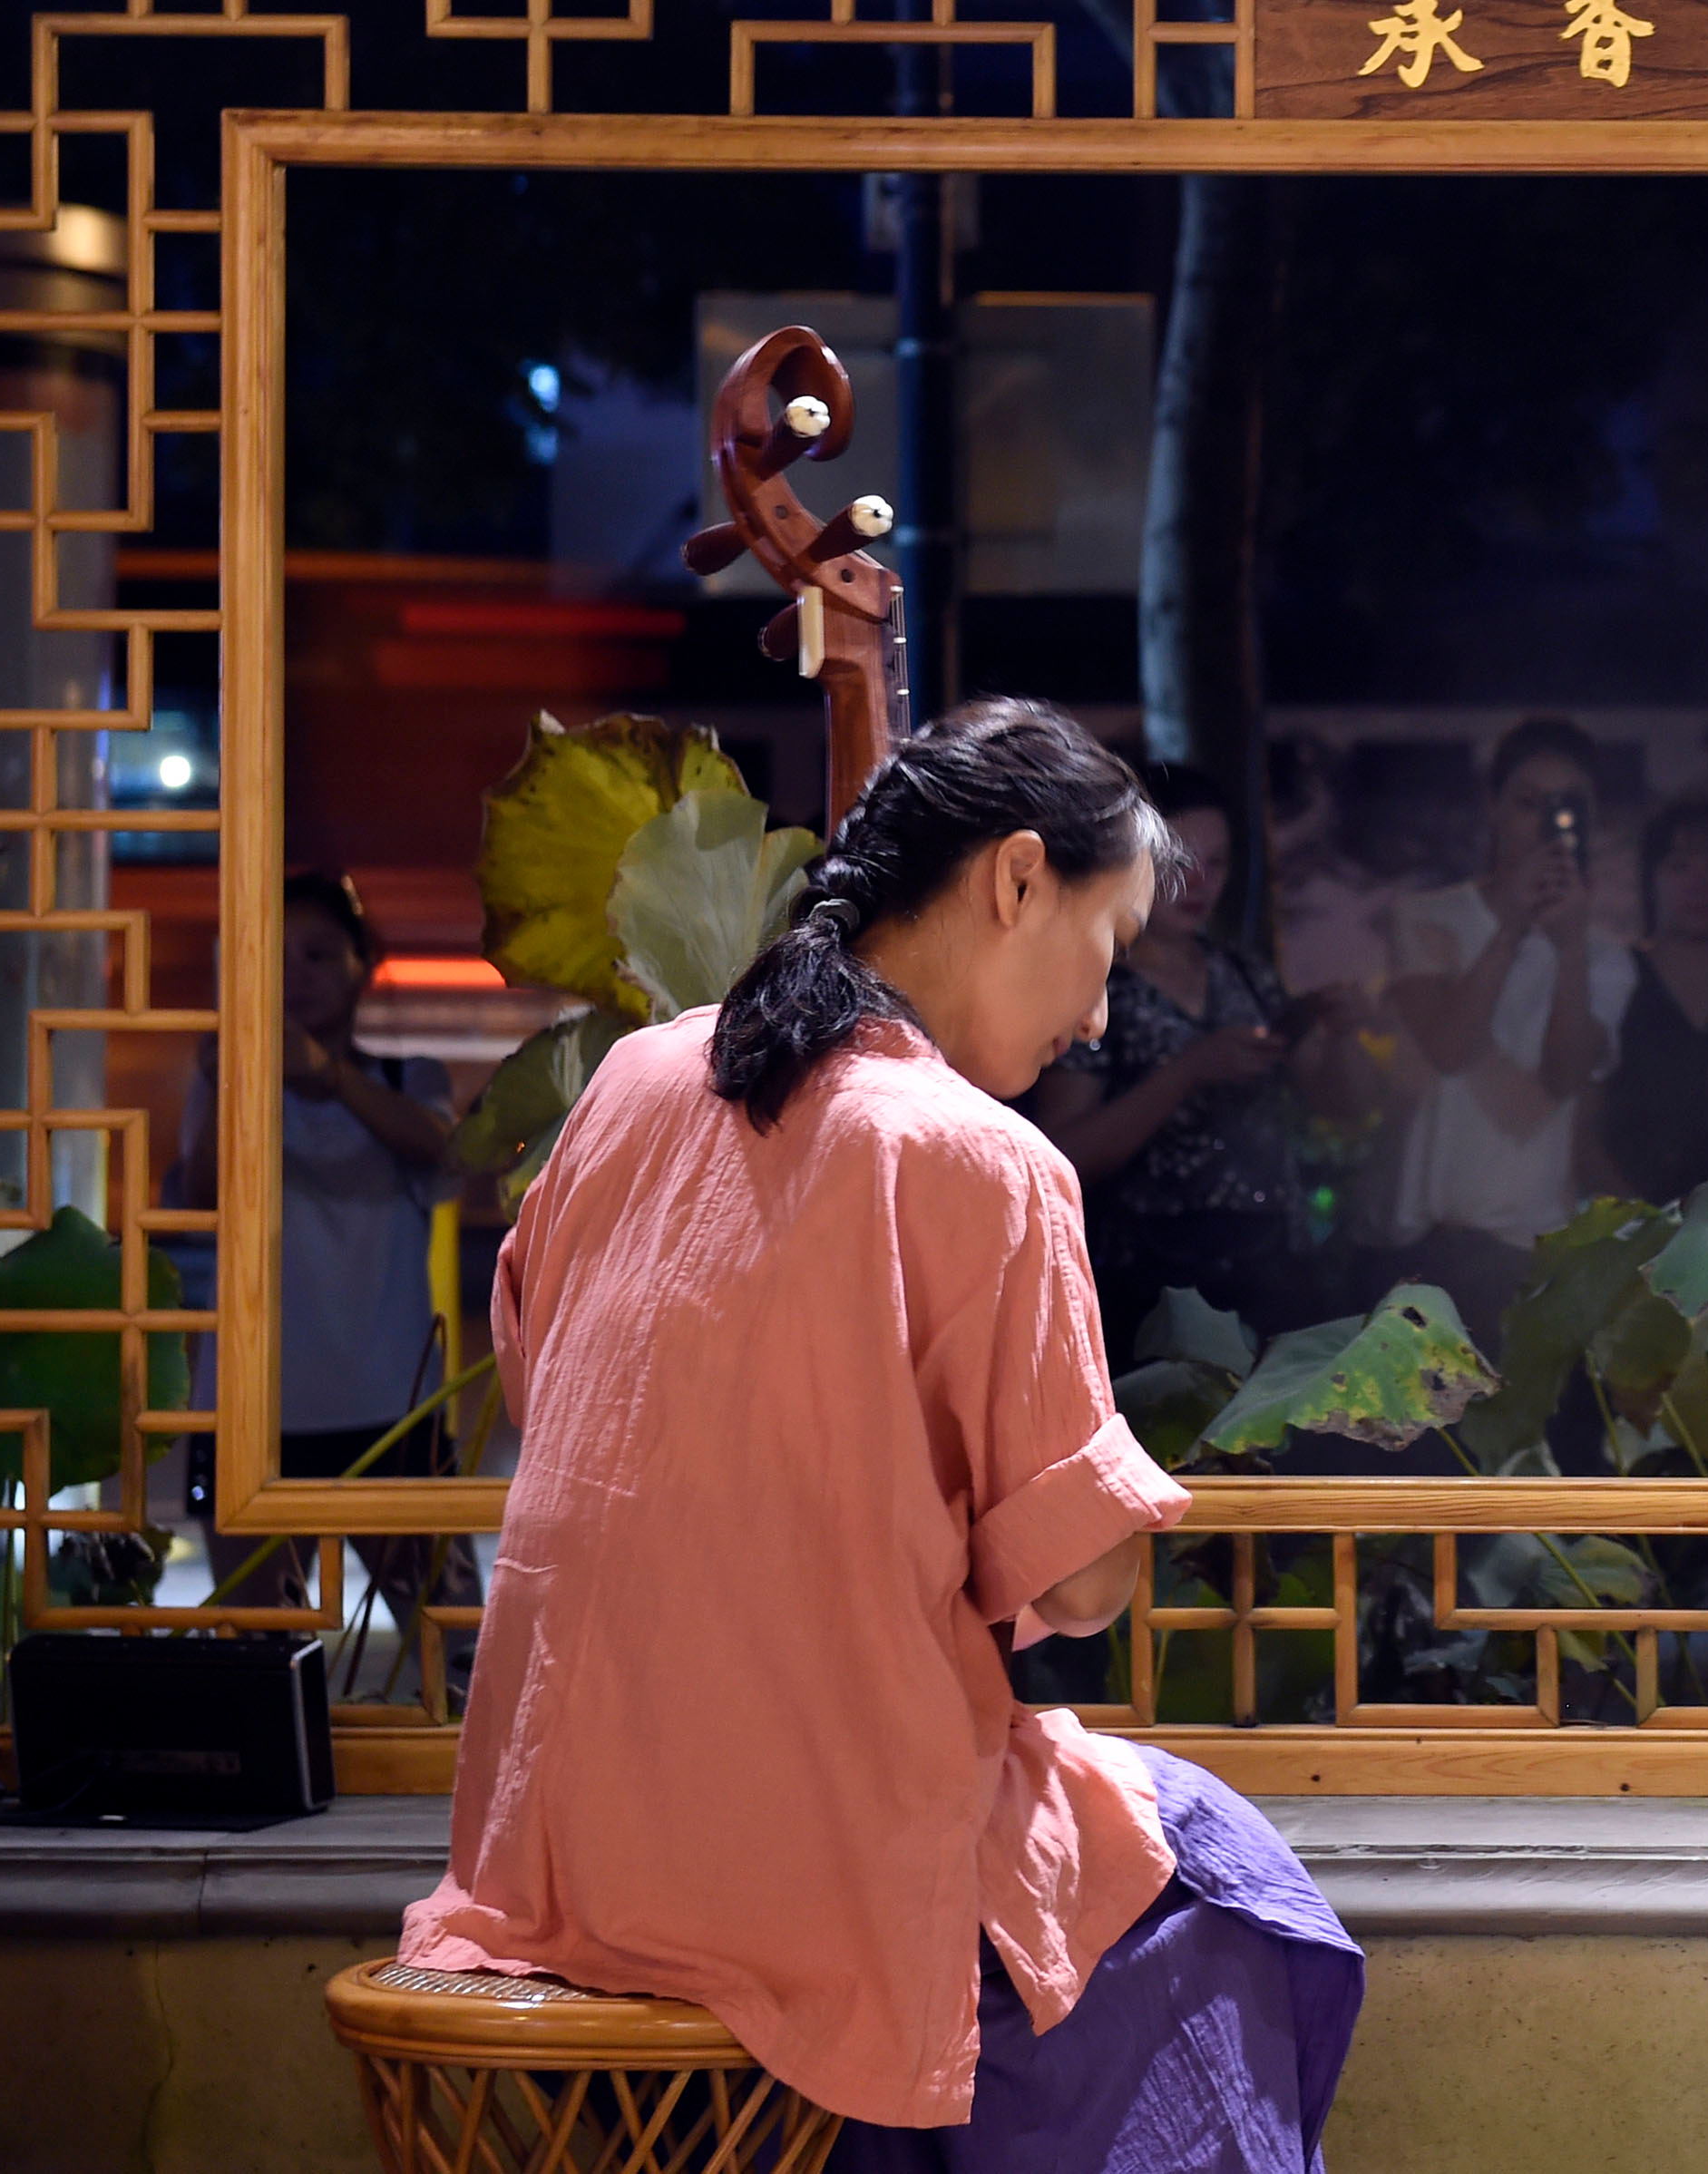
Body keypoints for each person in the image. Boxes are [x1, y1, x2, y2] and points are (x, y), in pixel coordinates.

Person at [399, 700, 1362, 2171]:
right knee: (1222, 1875)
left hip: (556, 1851)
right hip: (804, 1874)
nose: (1100, 1018)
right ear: (1018, 878)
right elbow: (1084, 1582)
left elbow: (562, 1394)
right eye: (1106, 950)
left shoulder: (632, 1083)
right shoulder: (983, 1158)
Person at [169, 872, 468, 1675]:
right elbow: (202, 1192)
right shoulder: (227, 1076)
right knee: (257, 1657)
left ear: (363, 965)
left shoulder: (410, 1078)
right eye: (278, 957)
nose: (295, 974)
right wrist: (232, 1076)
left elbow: (446, 1150)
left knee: (458, 1648)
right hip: (254, 1404)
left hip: (391, 1405)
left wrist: (328, 1077)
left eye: (318, 954)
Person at [1030, 764, 1346, 1348]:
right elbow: (1062, 1155)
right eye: (1180, 861)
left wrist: (1335, 1031)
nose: (1200, 881)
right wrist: (1187, 1072)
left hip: (1272, 1263)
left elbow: (1332, 1101)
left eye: (1218, 863)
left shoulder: (1244, 974)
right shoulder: (1098, 987)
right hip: (1154, 1277)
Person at [1372, 719, 1637, 1347]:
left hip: (1533, 1248)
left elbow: (1565, 1077)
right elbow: (1449, 1047)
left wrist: (1568, 947)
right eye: (1527, 803)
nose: (1545, 822)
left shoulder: (1605, 957)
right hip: (1422, 1243)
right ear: (1492, 807)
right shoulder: (1427, 918)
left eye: (1567, 806)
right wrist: (1512, 926)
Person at [1601, 796, 1708, 1207]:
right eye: (1679, 867)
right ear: (1651, 881)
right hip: (1636, 1222)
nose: (1699, 884)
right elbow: (1583, 1131)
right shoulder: (1618, 979)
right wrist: (1647, 1227)